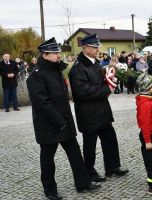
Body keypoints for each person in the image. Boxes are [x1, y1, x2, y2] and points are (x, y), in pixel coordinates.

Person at [26, 37, 100, 200]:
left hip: (64, 123)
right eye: (54, 53)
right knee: (47, 159)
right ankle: (50, 190)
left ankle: (83, 183)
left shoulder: (57, 70)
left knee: (75, 154)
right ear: (44, 55)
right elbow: (42, 104)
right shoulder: (36, 76)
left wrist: (66, 121)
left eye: (58, 53)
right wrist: (60, 122)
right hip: (48, 125)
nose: (58, 56)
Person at [68, 34, 128, 183]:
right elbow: (83, 92)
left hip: (102, 110)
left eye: (97, 47)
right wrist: (106, 89)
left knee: (110, 139)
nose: (97, 49)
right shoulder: (77, 68)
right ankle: (89, 171)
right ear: (85, 48)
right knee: (90, 145)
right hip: (89, 114)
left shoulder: (94, 63)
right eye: (94, 47)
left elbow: (100, 81)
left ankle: (112, 166)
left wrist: (109, 77)